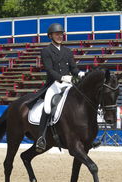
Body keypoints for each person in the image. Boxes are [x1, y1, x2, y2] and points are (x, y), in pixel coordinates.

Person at [34, 23, 85, 152]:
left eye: (61, 34)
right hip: (54, 84)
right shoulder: (46, 51)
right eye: (57, 34)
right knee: (47, 107)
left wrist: (79, 73)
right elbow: (49, 70)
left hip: (68, 84)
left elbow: (73, 68)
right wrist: (61, 77)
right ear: (51, 36)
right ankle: (41, 138)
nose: (60, 36)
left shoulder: (67, 51)